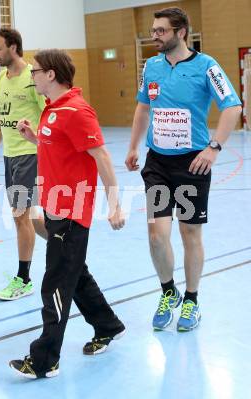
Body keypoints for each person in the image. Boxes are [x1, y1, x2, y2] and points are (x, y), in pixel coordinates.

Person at [9, 49, 126, 379]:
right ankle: (107, 325)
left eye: (35, 71)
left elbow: (101, 156)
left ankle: (45, 359)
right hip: (54, 206)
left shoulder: (76, 110)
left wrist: (115, 205)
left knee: (56, 283)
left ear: (51, 75)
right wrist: (34, 137)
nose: (31, 76)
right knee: (74, 274)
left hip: (73, 210)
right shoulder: (52, 109)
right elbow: (59, 147)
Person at [125, 7, 242, 332]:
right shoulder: (151, 66)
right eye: (154, 30)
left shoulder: (207, 67)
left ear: (180, 32)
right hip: (158, 164)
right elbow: (143, 107)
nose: (154, 35)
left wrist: (213, 147)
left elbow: (232, 106)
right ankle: (168, 292)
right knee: (157, 237)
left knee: (189, 232)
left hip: (192, 165)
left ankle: (191, 299)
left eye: (161, 30)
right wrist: (134, 146)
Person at [0, 28, 46, 301]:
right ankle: (68, 245)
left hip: (29, 154)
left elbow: (49, 113)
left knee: (20, 215)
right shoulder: (1, 78)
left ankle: (23, 278)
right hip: (10, 156)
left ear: (14, 48)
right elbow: (1, 118)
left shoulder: (32, 77)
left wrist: (44, 144)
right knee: (31, 218)